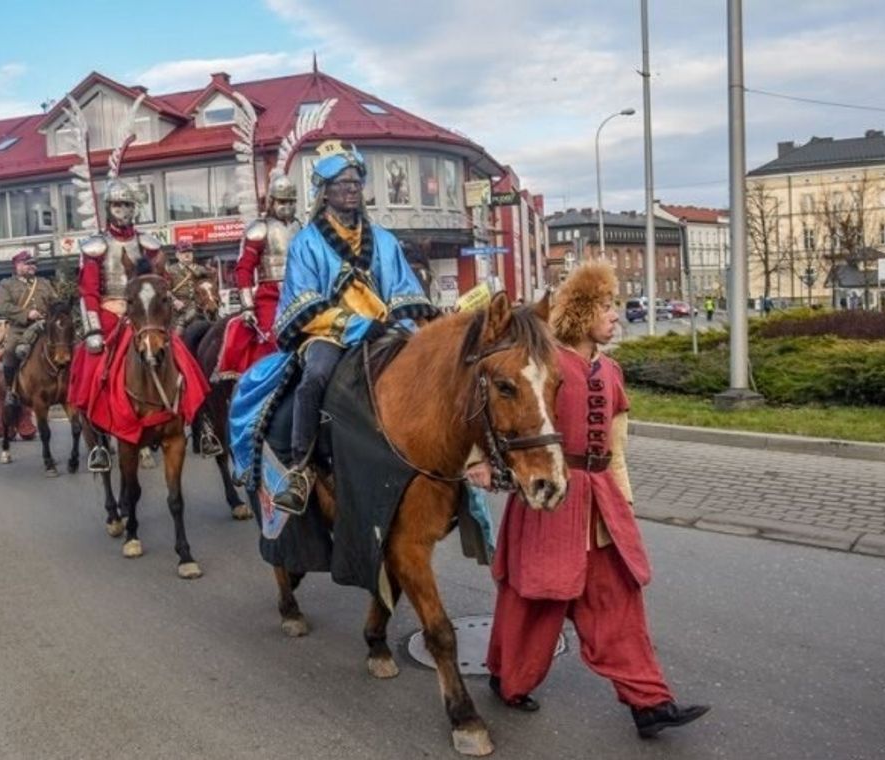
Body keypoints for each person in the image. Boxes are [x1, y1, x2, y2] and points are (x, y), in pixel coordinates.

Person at [477, 261, 709, 739]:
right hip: (552, 496)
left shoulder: (613, 370)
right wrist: (478, 463)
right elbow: (508, 419)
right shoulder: (547, 366)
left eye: (614, 307)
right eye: (606, 307)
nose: (615, 317)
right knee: (534, 600)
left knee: (618, 599)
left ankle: (650, 703)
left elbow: (617, 447)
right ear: (582, 312)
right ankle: (508, 680)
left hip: (601, 505)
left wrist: (623, 500)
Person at [261, 143, 436, 513]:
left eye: (356, 182)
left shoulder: (385, 241)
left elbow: (404, 289)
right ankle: (300, 468)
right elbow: (303, 301)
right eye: (342, 183)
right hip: (328, 334)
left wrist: (406, 326)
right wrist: (355, 325)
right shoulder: (305, 243)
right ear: (324, 191)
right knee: (314, 377)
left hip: (384, 330)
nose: (352, 189)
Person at [70, 178, 213, 470]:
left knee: (184, 356)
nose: (122, 210)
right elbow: (87, 292)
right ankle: (97, 438)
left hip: (145, 312)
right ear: (108, 208)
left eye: (127, 204)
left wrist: (167, 309)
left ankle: (202, 420)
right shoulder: (96, 246)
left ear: (134, 208)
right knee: (92, 363)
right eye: (117, 204)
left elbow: (162, 283)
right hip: (110, 310)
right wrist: (94, 329)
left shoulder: (148, 244)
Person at [216, 174, 301, 379]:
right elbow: (244, 269)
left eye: (291, 201)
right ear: (271, 201)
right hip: (270, 294)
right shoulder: (260, 228)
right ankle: (263, 384)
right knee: (271, 338)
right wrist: (247, 306)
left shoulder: (301, 227)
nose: (287, 206)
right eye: (282, 201)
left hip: (300, 292)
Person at [0, 250, 58, 407]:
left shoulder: (44, 283)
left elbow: (55, 302)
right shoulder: (7, 284)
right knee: (10, 351)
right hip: (20, 329)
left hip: (44, 327)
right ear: (17, 265)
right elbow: (4, 307)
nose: (33, 266)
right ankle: (10, 391)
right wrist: (27, 314)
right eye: (28, 263)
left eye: (34, 264)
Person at [165, 238, 218, 334]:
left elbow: (210, 284)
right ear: (177, 255)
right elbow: (166, 290)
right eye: (183, 252)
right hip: (179, 309)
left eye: (189, 252)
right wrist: (175, 301)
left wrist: (213, 272)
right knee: (177, 333)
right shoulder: (171, 271)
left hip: (200, 306)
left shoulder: (201, 269)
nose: (187, 254)